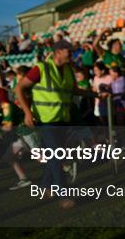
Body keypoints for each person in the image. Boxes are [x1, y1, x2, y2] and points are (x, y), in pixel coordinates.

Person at [15, 40, 85, 209]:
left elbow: (74, 90)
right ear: (58, 51)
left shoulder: (68, 69)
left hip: (62, 119)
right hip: (46, 122)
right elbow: (18, 89)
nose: (72, 53)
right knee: (56, 157)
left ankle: (45, 187)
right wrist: (27, 112)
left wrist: (96, 94)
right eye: (69, 50)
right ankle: (64, 194)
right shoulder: (41, 68)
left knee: (54, 157)